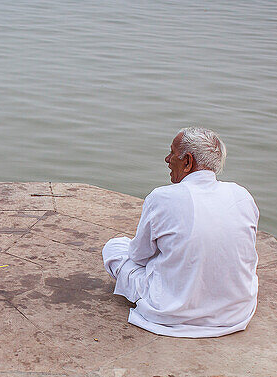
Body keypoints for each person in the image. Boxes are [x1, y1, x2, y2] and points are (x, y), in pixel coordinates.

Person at [102, 127, 259, 337]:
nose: (167, 159)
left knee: (115, 247)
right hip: (234, 312)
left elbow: (138, 256)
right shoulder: (242, 195)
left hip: (172, 310)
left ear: (187, 162)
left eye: (172, 153)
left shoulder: (162, 197)